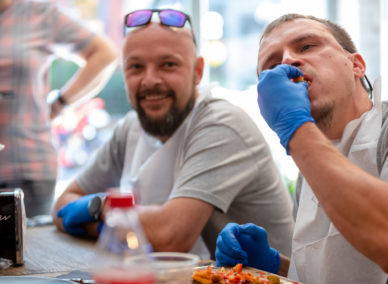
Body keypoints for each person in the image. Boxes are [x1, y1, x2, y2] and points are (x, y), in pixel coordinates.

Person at [215, 13, 388, 284]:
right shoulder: (310, 166)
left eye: (307, 46)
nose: (287, 63)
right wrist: (274, 268)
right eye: (271, 66)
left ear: (356, 64)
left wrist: (295, 129)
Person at [51, 8, 294, 259]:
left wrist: (99, 213)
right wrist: (117, 220)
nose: (150, 80)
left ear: (197, 72)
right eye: (135, 67)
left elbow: (170, 236)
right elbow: (61, 206)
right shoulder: (130, 127)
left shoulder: (221, 124)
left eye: (168, 65)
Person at [0, 0, 118, 217]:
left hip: (27, 167)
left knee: (30, 248)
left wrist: (59, 104)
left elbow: (104, 54)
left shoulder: (39, 14)